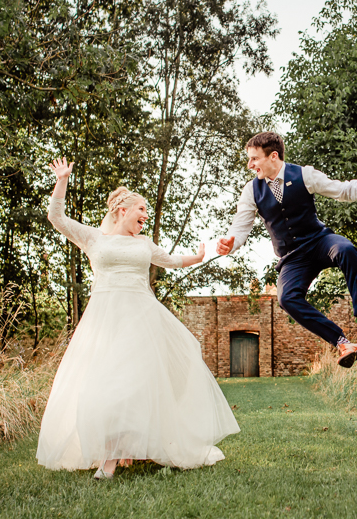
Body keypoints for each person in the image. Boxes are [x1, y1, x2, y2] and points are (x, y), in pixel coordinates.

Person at [37, 157, 239, 480]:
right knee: (103, 386)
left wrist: (198, 256)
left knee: (133, 383)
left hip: (142, 320)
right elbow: (56, 217)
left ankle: (117, 455)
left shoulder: (144, 244)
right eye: (141, 210)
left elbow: (171, 260)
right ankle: (115, 450)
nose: (145, 215)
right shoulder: (94, 239)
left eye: (146, 210)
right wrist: (62, 179)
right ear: (123, 210)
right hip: (104, 322)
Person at [216, 132, 357, 368]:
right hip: (292, 257)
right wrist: (231, 243)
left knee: (346, 248)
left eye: (254, 159)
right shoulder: (252, 190)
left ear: (273, 156)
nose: (250, 165)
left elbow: (341, 190)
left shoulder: (304, 174)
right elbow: (241, 226)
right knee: (286, 298)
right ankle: (343, 343)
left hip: (319, 241)